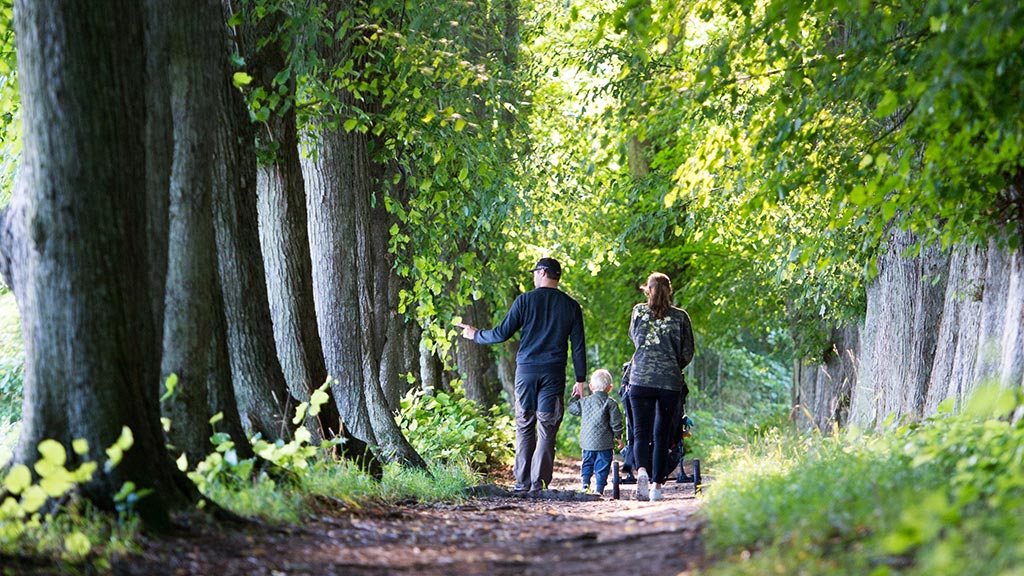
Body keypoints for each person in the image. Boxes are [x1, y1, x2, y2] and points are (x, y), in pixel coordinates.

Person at [456, 257, 587, 492]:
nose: (533, 276)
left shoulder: (524, 300)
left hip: (526, 372)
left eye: (535, 272)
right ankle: (540, 484)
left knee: (525, 424)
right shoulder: (571, 306)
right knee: (547, 427)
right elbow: (578, 346)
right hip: (553, 374)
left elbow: (502, 333)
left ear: (544, 272)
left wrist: (475, 335)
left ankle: (522, 483)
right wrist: (580, 379)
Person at [627, 272, 694, 501]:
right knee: (662, 434)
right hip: (669, 382)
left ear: (648, 289)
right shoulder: (681, 317)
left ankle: (642, 471)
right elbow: (687, 352)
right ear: (670, 291)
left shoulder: (638, 311)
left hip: (640, 379)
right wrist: (673, 365)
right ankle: (656, 486)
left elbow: (634, 338)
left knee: (640, 432)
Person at [568, 368, 623, 496]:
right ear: (609, 388)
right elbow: (616, 423)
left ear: (591, 387)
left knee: (587, 462)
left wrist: (575, 395)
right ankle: (599, 490)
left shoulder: (585, 401)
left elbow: (572, 409)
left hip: (587, 443)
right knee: (602, 465)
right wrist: (619, 439)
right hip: (605, 443)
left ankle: (585, 485)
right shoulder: (611, 403)